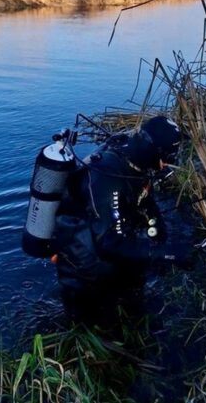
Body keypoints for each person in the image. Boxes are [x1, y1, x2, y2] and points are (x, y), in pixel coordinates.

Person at [54, 115, 194, 319]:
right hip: (84, 268)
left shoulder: (135, 159)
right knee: (96, 323)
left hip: (111, 245)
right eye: (167, 157)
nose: (168, 164)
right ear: (151, 150)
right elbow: (108, 244)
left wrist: (159, 236)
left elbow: (144, 200)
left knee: (134, 304)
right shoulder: (107, 178)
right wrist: (166, 254)